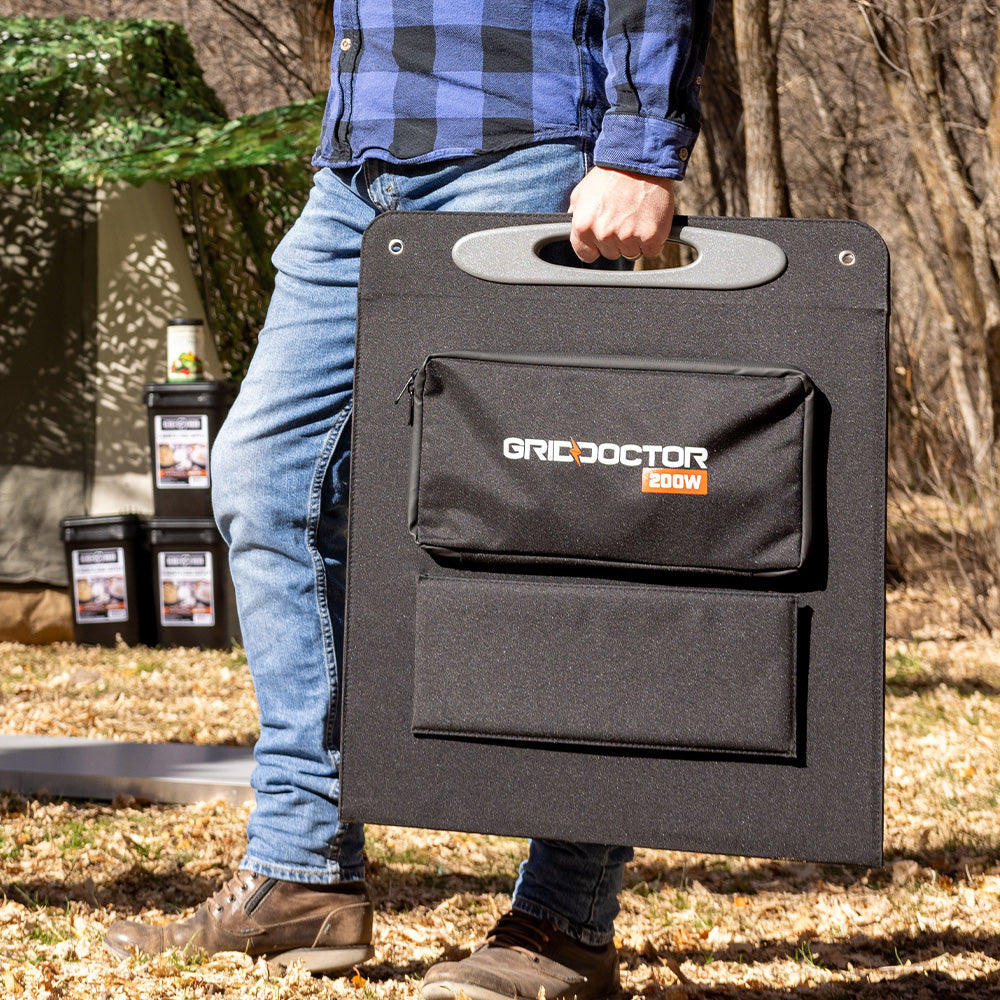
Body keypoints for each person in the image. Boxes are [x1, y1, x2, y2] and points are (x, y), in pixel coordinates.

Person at [104, 2, 714, 997]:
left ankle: (565, 916)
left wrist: (641, 146)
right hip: (359, 161)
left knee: (559, 520)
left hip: (531, 150)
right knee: (268, 479)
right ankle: (302, 875)